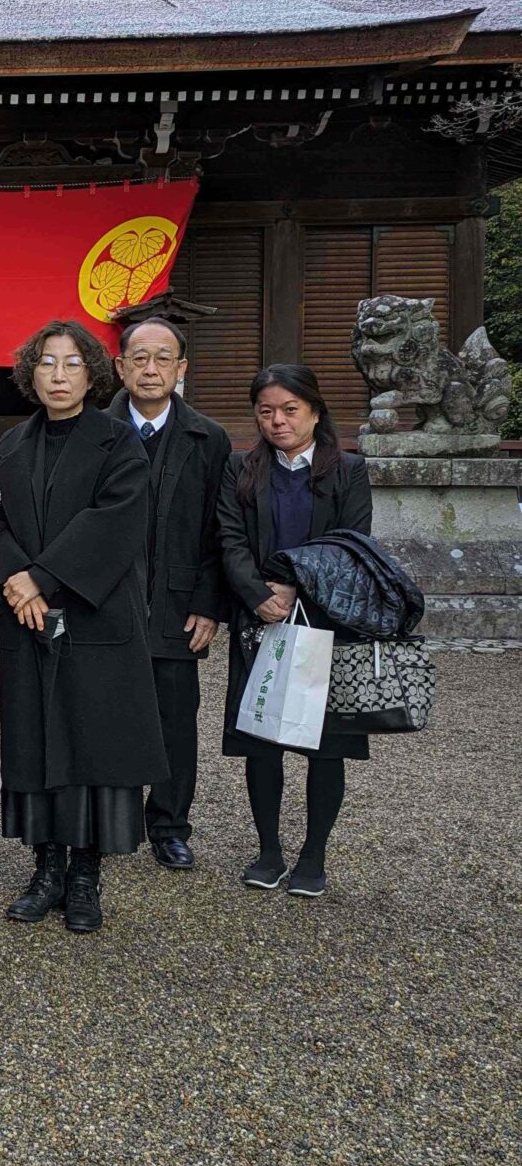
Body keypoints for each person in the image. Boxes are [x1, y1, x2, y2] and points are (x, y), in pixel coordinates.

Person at [0, 319, 167, 934]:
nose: (58, 375)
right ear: (29, 373)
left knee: (92, 747)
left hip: (96, 618)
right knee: (35, 745)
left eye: (71, 364)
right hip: (26, 619)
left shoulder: (119, 444)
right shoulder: (10, 445)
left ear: (92, 373)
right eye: (46, 363)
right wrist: (17, 579)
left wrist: (42, 577)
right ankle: (44, 869)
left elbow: (114, 521)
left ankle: (86, 876)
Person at [218, 363, 373, 898]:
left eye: (289, 410)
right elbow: (229, 540)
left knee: (324, 745)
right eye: (266, 411)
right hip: (260, 621)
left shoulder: (348, 470)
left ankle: (313, 855)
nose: (277, 421)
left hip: (326, 624)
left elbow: (351, 544)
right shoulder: (241, 468)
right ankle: (268, 849)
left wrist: (295, 587)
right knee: (263, 738)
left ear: (314, 411)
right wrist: (259, 595)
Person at [108, 317, 232, 869]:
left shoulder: (209, 438)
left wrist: (209, 601)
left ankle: (170, 823)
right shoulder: (95, 427)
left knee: (176, 718)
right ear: (120, 366)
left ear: (181, 369)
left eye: (163, 358)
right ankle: (110, 820)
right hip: (106, 601)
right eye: (139, 358)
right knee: (106, 709)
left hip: (179, 601)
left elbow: (220, 528)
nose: (150, 369)